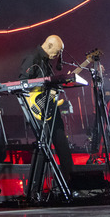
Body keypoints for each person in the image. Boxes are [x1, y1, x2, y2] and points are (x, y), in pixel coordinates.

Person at [19, 34, 75, 198]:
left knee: (62, 145)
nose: (57, 56)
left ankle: (70, 184)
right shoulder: (32, 59)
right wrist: (37, 101)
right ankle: (34, 191)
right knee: (43, 148)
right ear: (49, 46)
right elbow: (22, 83)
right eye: (57, 52)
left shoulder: (46, 63)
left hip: (52, 111)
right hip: (40, 112)